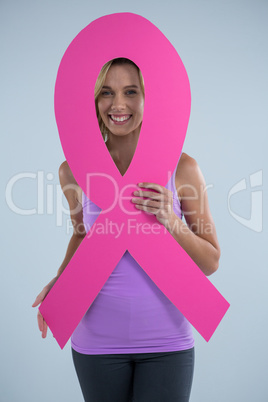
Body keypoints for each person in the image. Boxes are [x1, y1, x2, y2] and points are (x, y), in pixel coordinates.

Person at [32, 58, 221, 402]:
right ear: (93, 101)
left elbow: (210, 262)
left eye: (130, 91)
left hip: (168, 344)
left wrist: (171, 219)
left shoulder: (183, 168)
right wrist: (61, 280)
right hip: (96, 344)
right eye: (106, 92)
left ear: (149, 98)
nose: (118, 105)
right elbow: (81, 235)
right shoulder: (71, 172)